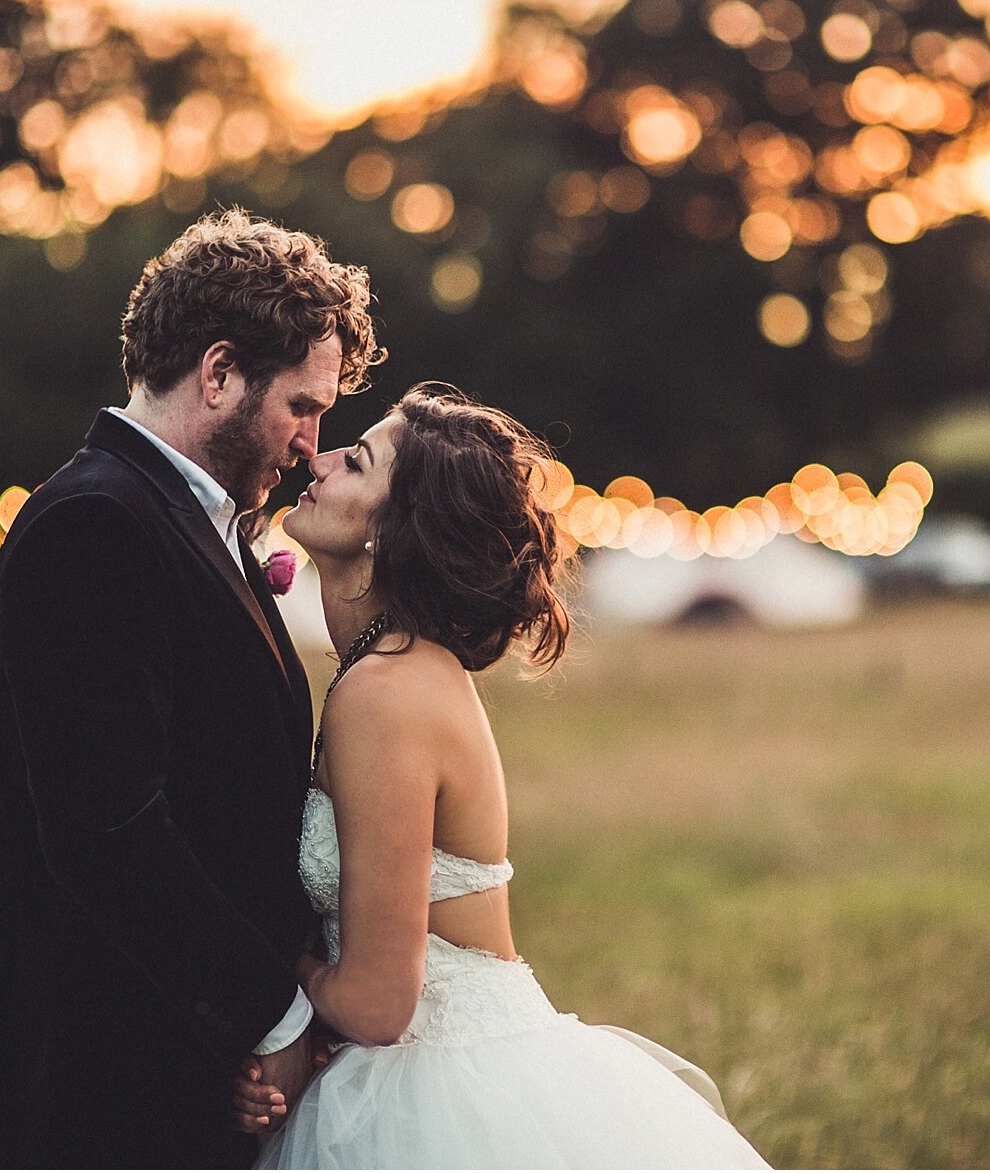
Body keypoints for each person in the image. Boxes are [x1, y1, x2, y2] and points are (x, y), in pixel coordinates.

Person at [234, 383, 770, 1169]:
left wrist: (292, 967)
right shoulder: (395, 671)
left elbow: (381, 1005)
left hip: (436, 1090)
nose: (324, 454)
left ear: (395, 529)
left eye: (362, 458)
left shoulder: (387, 691)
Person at [0, 209, 382, 1167]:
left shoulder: (183, 517)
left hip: (178, 1069)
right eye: (303, 406)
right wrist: (271, 1013)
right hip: (115, 1082)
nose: (314, 442)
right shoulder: (94, 523)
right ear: (220, 371)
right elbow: (108, 828)